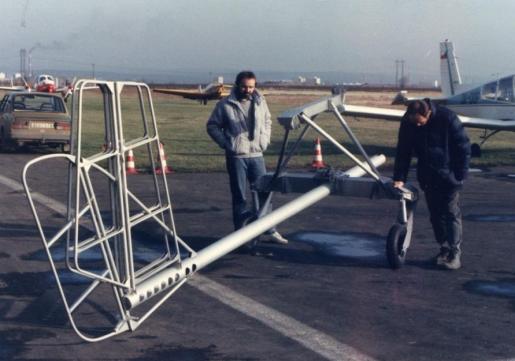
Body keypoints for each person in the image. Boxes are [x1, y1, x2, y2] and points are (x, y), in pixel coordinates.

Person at [206, 70, 288, 244]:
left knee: (264, 193)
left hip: (257, 155)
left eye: (251, 86)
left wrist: (264, 140)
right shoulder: (225, 104)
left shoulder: (260, 101)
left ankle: (270, 230)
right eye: (244, 86)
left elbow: (268, 120)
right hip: (237, 157)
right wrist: (228, 144)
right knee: (240, 197)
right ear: (237, 85)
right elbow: (212, 126)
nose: (248, 90)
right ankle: (241, 236)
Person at [393, 99, 470, 270]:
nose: (417, 126)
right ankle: (443, 249)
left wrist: (460, 175)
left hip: (449, 177)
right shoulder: (408, 122)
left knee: (451, 212)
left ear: (428, 114)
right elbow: (403, 151)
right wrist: (399, 177)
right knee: (435, 215)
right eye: (414, 122)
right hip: (428, 177)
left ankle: (455, 253)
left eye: (419, 122)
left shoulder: (448, 118)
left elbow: (463, 147)